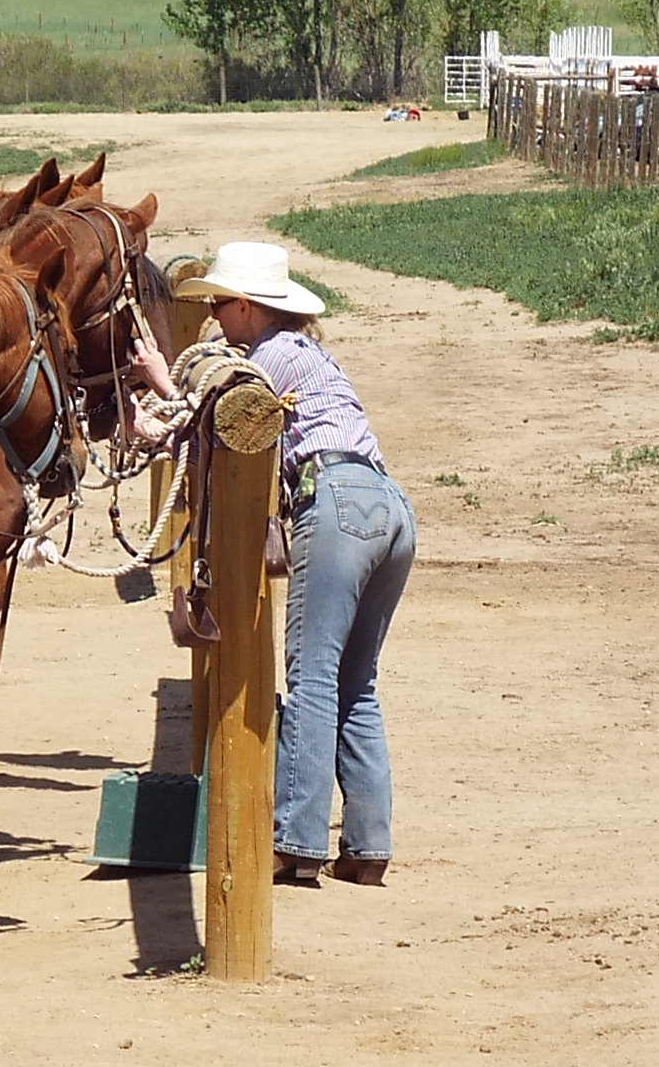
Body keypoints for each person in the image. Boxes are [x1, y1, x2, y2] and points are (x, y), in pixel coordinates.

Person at [131, 241, 415, 887]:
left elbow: (220, 415)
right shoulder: (309, 355)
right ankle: (367, 844)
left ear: (246, 307)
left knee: (310, 674)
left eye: (220, 307)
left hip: (334, 503)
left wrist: (159, 381)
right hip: (387, 505)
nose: (215, 320)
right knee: (355, 681)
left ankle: (297, 837)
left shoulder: (269, 359)